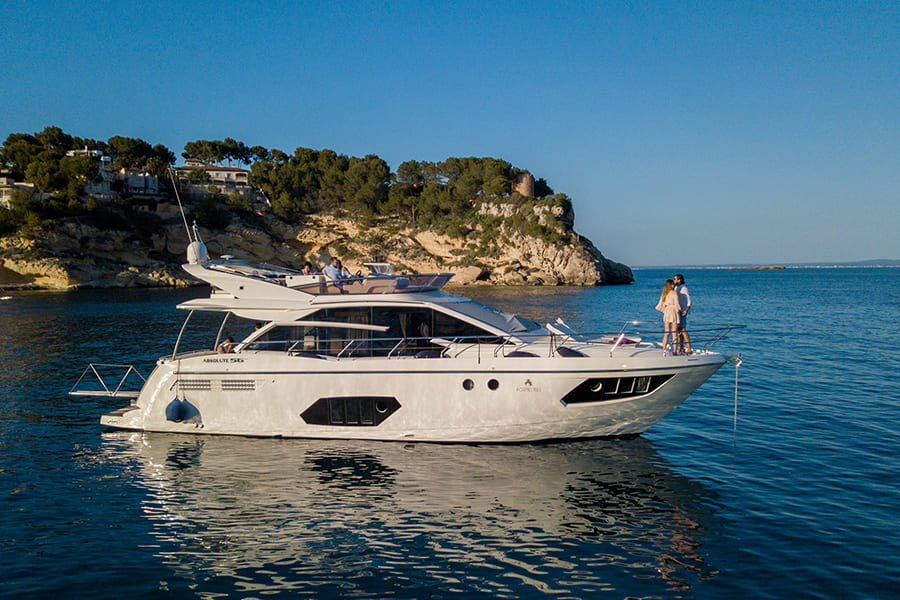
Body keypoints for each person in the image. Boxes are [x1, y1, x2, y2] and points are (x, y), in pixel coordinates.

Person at [658, 280, 680, 354]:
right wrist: (678, 309)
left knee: (666, 332)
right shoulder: (674, 293)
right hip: (673, 311)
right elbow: (677, 304)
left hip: (667, 312)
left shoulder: (664, 293)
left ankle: (664, 348)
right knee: (674, 332)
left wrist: (666, 309)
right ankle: (674, 350)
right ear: (671, 285)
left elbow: (661, 304)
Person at [674, 273, 692, 354]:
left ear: (679, 280)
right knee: (678, 330)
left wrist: (687, 309)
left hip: (682, 310)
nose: (674, 280)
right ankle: (681, 347)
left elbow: (688, 299)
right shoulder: (676, 288)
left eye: (675, 279)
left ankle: (689, 347)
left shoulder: (683, 288)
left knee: (683, 329)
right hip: (677, 310)